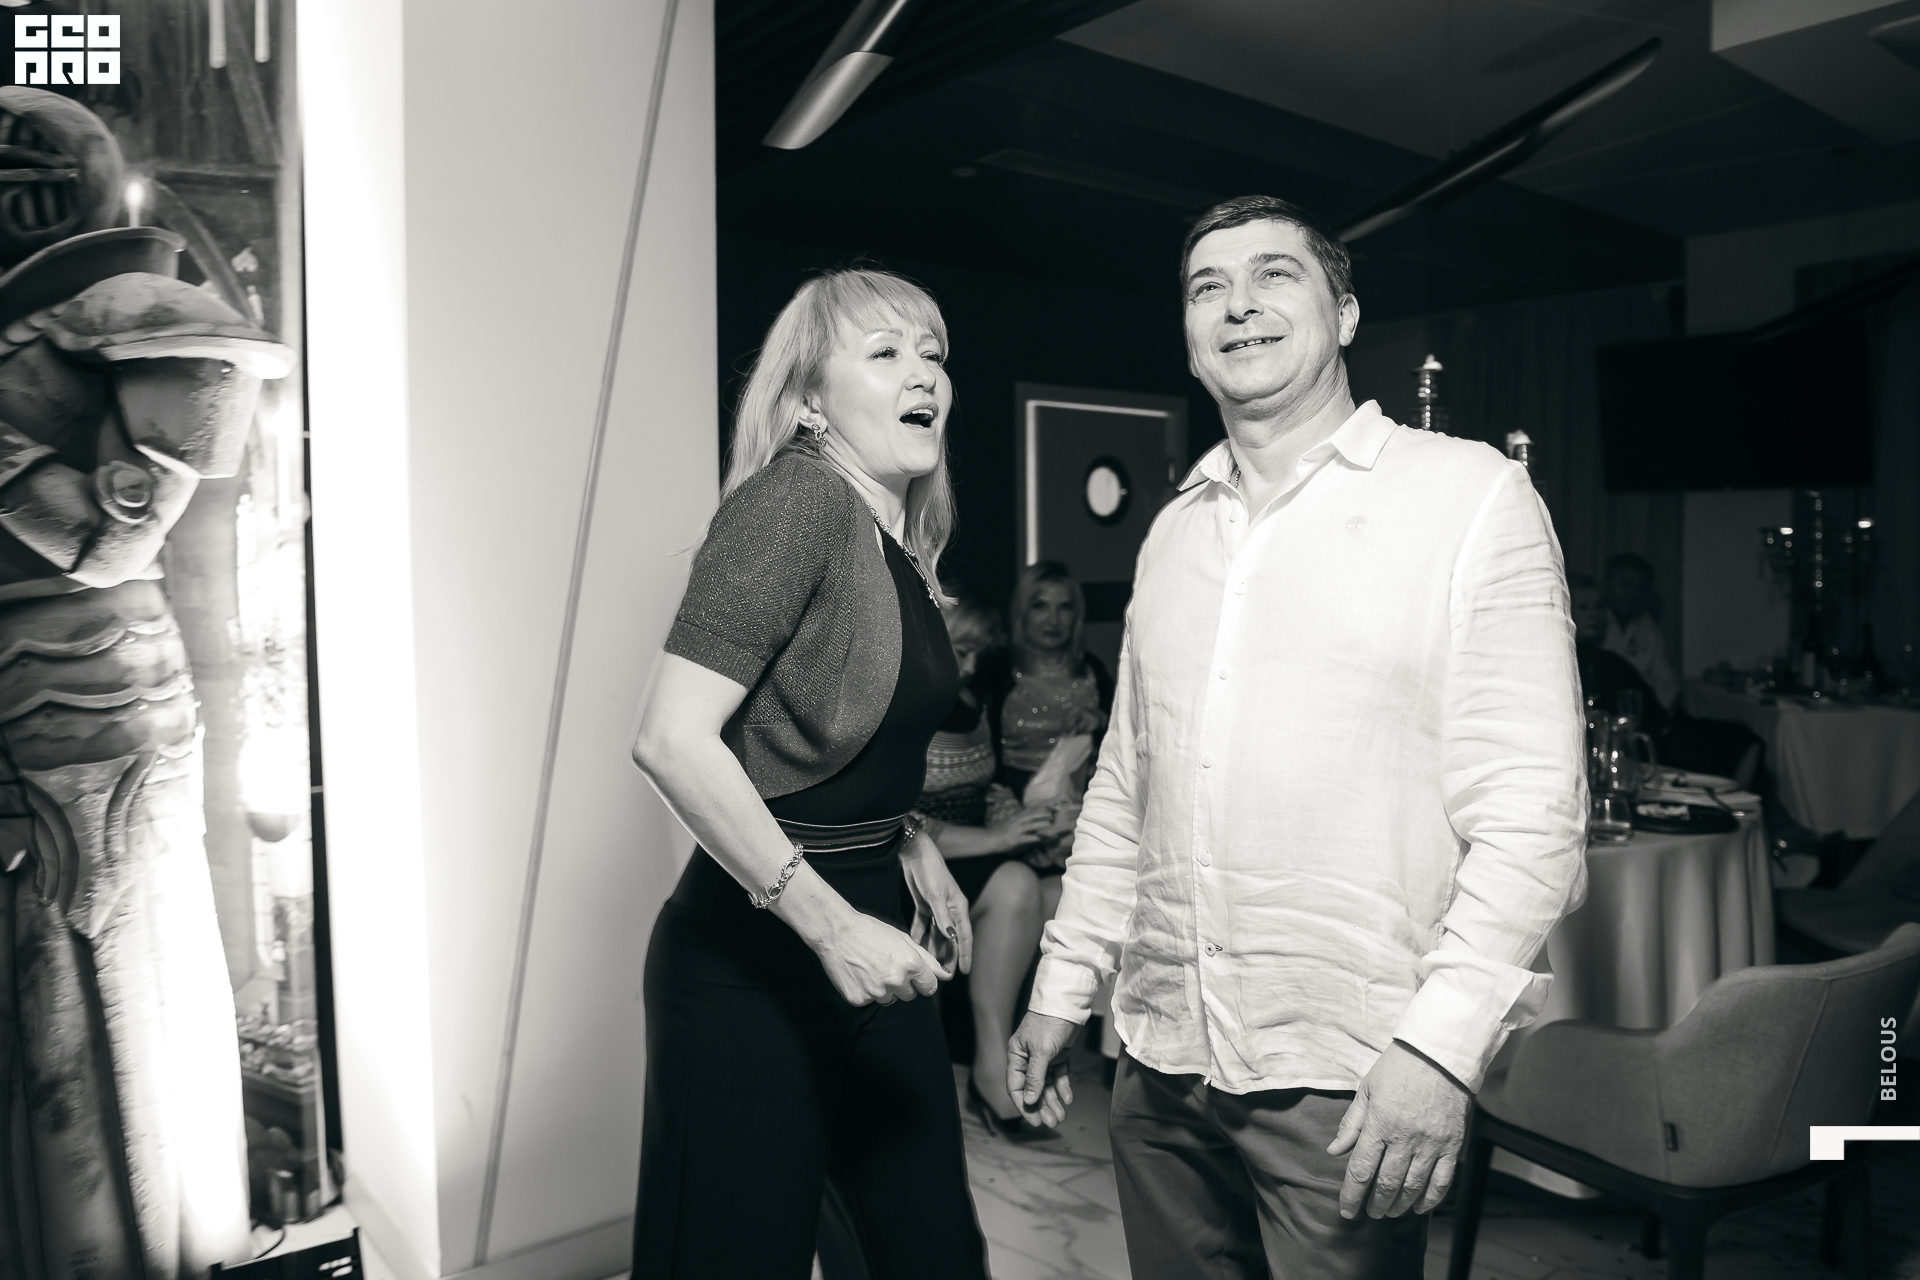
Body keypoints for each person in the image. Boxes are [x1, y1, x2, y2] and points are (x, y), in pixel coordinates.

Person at [1007, 195, 1588, 1279]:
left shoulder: (1469, 498)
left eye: (1274, 275)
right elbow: (1127, 790)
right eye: (1207, 287)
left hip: (1348, 1071)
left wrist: (1438, 1050)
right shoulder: (1173, 533)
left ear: (1347, 313)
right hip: (1161, 1058)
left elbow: (1533, 813)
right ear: (1189, 333)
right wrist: (1060, 987)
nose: (1238, 305)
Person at [629, 268, 988, 1279]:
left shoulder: (892, 534)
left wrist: (909, 840)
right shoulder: (797, 502)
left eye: (933, 353)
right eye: (885, 352)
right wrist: (831, 926)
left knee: (930, 1255)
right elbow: (671, 737)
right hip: (754, 968)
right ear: (809, 400)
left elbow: (828, 733)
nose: (923, 373)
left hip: (876, 936)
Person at [913, 588, 1055, 1139]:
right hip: (918, 863)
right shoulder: (911, 705)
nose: (971, 666)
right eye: (961, 651)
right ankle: (991, 1072)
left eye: (979, 655)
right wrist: (1000, 839)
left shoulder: (973, 699)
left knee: (1057, 891)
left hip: (972, 851)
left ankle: (1018, 1058)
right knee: (1017, 884)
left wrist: (1021, 819)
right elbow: (902, 822)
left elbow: (984, 784)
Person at [974, 561, 1115, 895]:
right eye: (1040, 606)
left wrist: (1100, 721)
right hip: (1011, 809)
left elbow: (1126, 742)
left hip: (1081, 813)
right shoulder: (995, 669)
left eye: (1064, 607)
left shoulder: (1093, 669)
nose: (1053, 619)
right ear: (1022, 611)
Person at [1570, 571, 1667, 736]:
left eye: (1598, 607)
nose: (1593, 615)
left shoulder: (1610, 660)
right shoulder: (1569, 660)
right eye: (1583, 607)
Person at [1600, 551, 1680, 709]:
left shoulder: (1647, 626)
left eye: (1641, 588)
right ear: (1607, 584)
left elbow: (1664, 678)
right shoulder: (1592, 621)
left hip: (1641, 711)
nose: (1632, 594)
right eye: (1625, 585)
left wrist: (1659, 711)